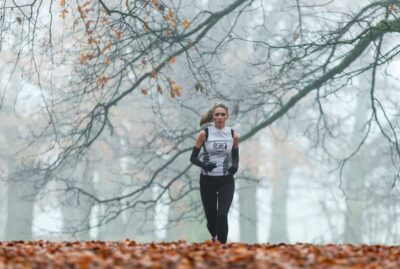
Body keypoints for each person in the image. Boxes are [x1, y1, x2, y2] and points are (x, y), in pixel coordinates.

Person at [190, 103, 239, 244]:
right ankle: (214, 235)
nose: (220, 117)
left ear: (227, 116)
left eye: (223, 114)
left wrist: (235, 166)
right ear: (213, 116)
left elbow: (235, 158)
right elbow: (192, 158)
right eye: (217, 114)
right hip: (207, 180)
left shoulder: (233, 135)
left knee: (222, 216)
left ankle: (223, 248)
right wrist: (204, 165)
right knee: (212, 220)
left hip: (226, 181)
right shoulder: (204, 134)